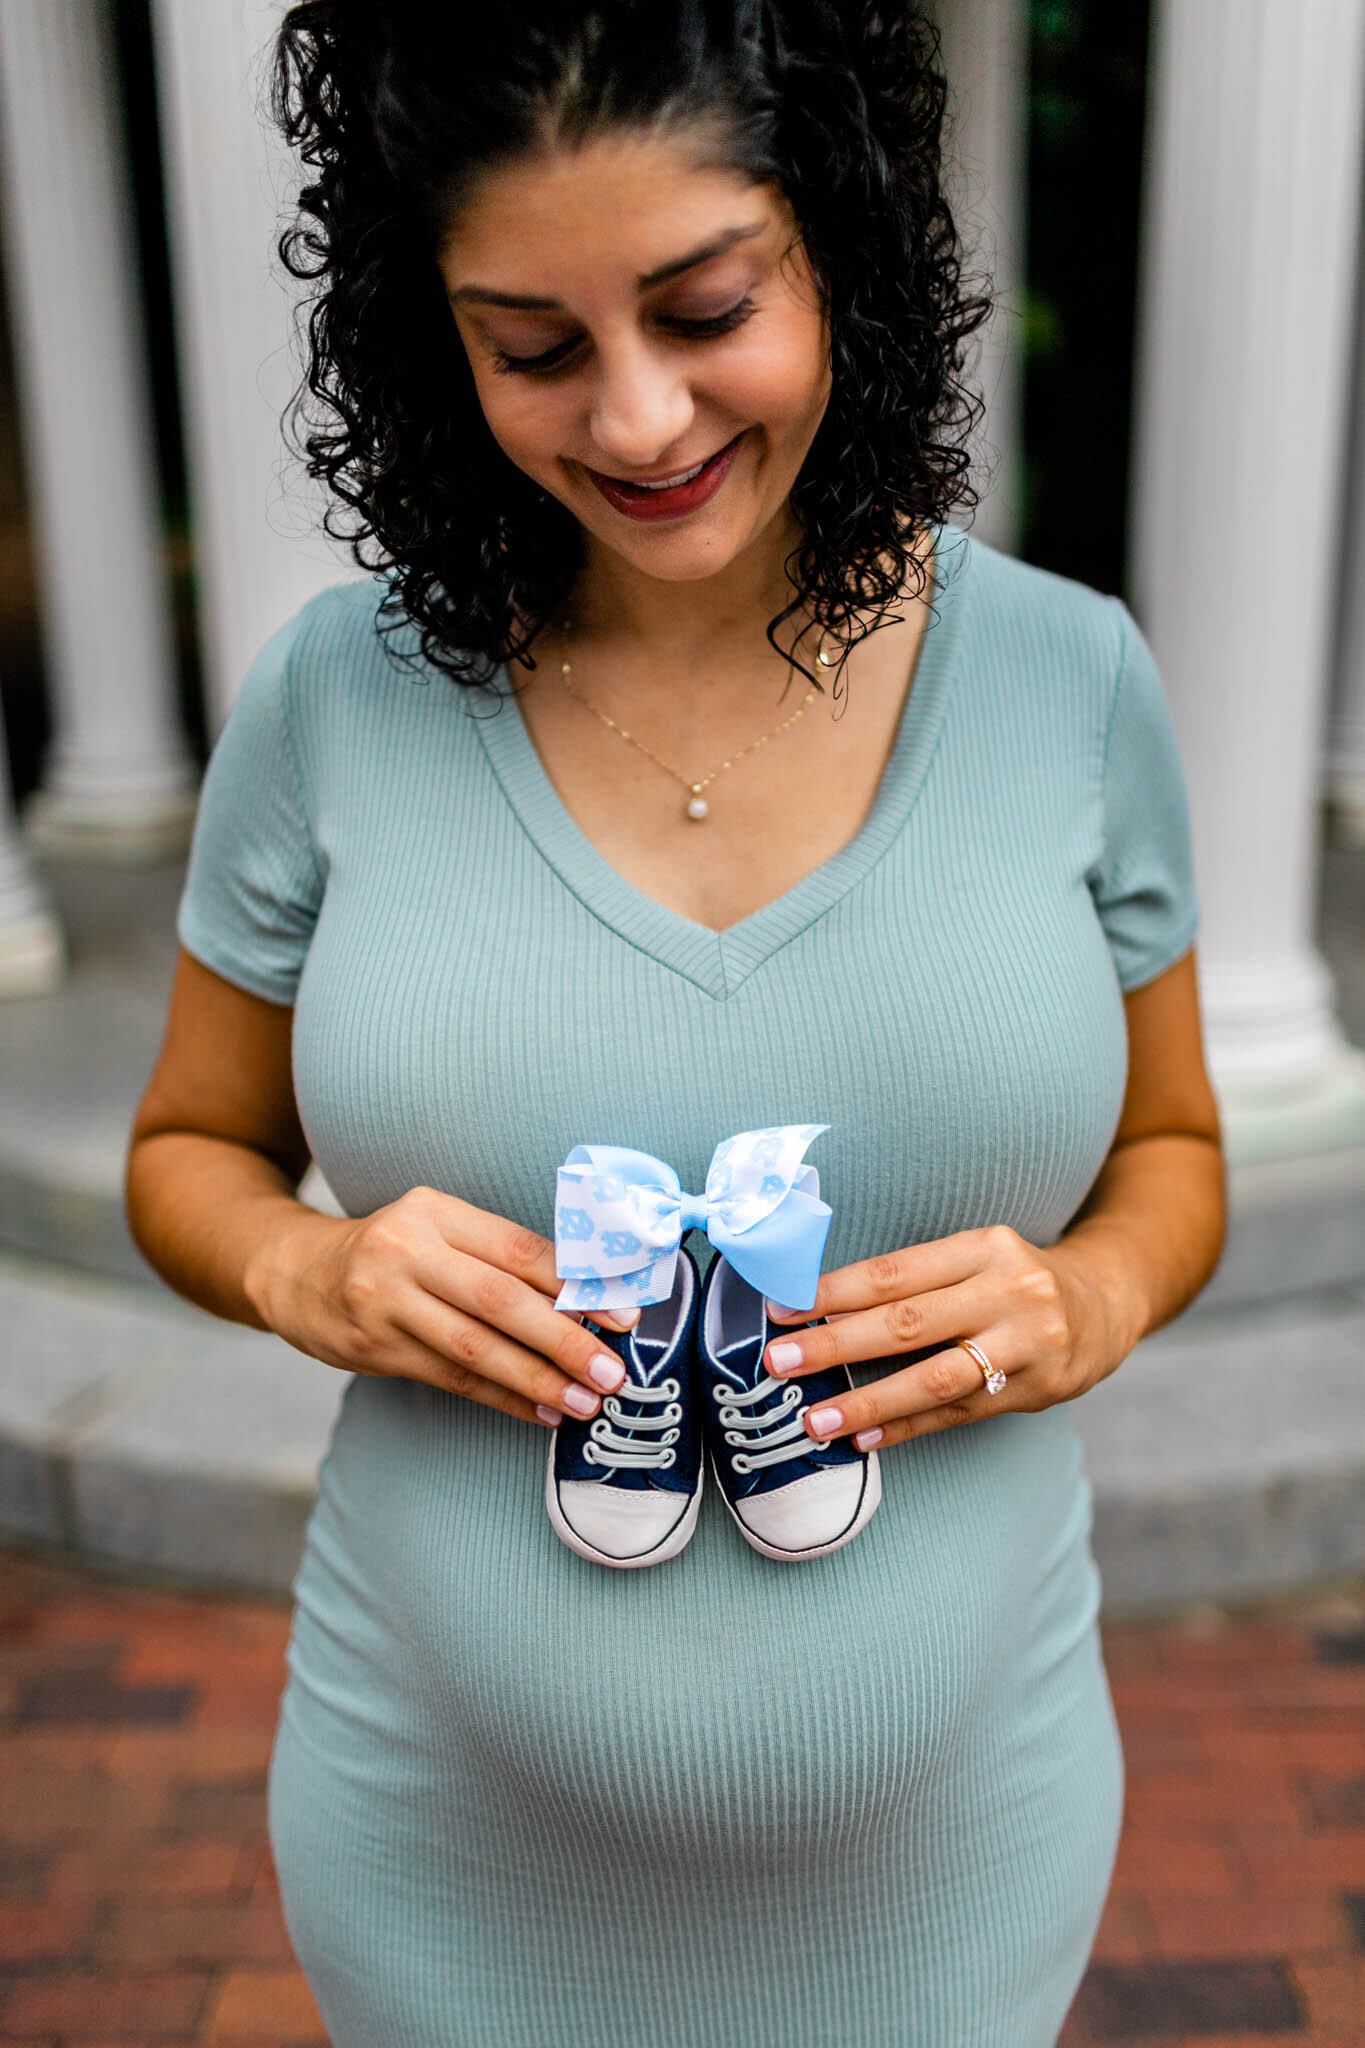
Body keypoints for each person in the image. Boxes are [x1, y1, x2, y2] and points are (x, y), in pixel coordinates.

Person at [125, 4, 1227, 2042]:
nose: (635, 419)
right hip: (444, 1856)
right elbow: (186, 1149)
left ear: (840, 249)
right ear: (424, 342)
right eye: (531, 348)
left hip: (947, 1871)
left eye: (702, 308)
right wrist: (307, 1262)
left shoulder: (1070, 682)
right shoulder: (330, 698)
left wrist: (1084, 1303)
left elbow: (1170, 1154)